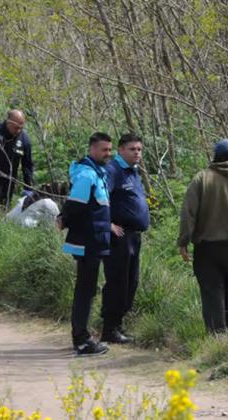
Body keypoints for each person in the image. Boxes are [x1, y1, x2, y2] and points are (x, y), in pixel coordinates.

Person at [178, 138, 228, 334]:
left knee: (212, 294)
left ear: (215, 155)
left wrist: (183, 241)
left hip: (208, 248)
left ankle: (216, 340)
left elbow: (188, 213)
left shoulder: (202, 178)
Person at [57, 132, 113, 357]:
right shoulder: (87, 176)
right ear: (92, 149)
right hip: (87, 242)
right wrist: (63, 219)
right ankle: (81, 339)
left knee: (88, 289)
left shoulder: (99, 174)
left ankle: (82, 335)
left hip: (96, 241)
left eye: (110, 150)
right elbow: (75, 207)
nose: (107, 154)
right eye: (103, 150)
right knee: (84, 290)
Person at [101, 133, 150, 344]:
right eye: (132, 149)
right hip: (118, 237)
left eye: (139, 149)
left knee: (131, 282)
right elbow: (99, 198)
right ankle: (109, 328)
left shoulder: (133, 171)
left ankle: (117, 324)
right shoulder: (113, 171)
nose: (137, 153)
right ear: (120, 150)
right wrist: (108, 224)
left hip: (133, 236)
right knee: (117, 282)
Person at [0, 109, 33, 206]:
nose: (18, 131)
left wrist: (29, 187)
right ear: (8, 122)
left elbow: (27, 165)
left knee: (2, 211)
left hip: (8, 183)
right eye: (16, 127)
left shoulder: (24, 139)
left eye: (21, 128)